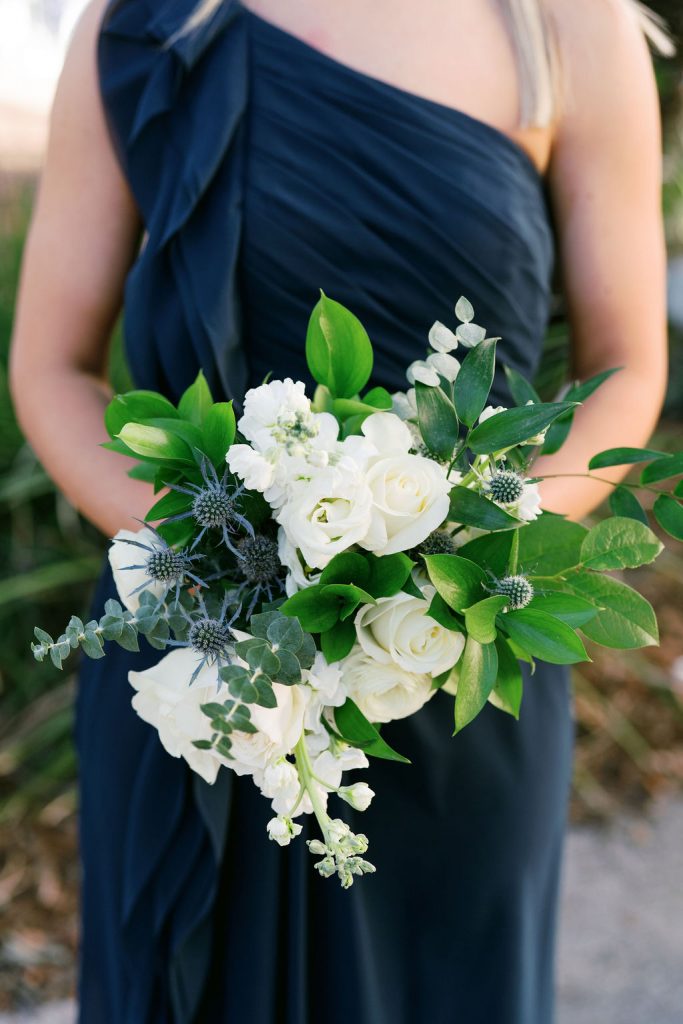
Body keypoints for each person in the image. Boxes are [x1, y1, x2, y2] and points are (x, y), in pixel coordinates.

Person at [9, 1, 670, 1021]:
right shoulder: (146, 21)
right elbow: (51, 365)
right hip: (200, 668)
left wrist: (460, 552)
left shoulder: (566, 26)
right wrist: (217, 560)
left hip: (450, 664)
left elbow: (619, 369)